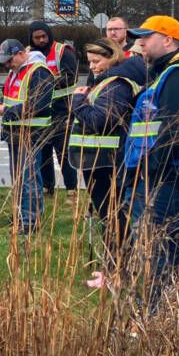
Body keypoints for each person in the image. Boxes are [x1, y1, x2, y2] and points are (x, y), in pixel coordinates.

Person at [119, 16, 179, 310]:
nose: (140, 42)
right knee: (176, 244)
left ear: (168, 40)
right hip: (178, 171)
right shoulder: (172, 72)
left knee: (158, 240)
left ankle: (159, 312)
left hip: (176, 172)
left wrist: (151, 168)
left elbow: (175, 130)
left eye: (147, 37)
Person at [68, 38, 140, 264]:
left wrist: (78, 102)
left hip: (106, 162)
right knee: (109, 214)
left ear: (112, 58)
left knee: (113, 215)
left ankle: (118, 264)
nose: (92, 67)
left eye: (96, 61)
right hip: (96, 161)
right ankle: (114, 263)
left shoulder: (116, 85)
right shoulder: (106, 82)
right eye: (89, 62)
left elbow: (101, 121)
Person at [0, 39, 54, 235]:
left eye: (9, 61)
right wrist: (0, 102)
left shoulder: (39, 72)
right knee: (18, 178)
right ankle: (21, 216)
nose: (6, 65)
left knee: (29, 178)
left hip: (31, 133)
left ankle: (31, 221)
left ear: (19, 53)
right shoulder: (16, 71)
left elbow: (38, 104)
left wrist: (6, 110)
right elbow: (13, 96)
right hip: (15, 132)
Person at [28, 20, 79, 196]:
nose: (41, 40)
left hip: (62, 109)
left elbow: (71, 76)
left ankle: (71, 190)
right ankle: (46, 187)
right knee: (42, 152)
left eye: (44, 36)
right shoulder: (28, 54)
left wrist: (46, 85)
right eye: (37, 37)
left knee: (63, 152)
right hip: (40, 111)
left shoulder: (62, 51)